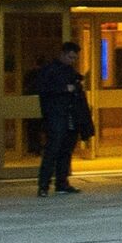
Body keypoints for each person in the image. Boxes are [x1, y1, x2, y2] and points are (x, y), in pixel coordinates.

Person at [35, 42, 86, 198]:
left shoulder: (69, 71)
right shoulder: (50, 70)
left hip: (68, 115)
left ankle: (61, 183)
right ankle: (44, 185)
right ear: (63, 54)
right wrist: (64, 89)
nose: (72, 60)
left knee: (66, 150)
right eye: (70, 57)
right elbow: (42, 89)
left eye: (75, 58)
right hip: (55, 115)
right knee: (53, 150)